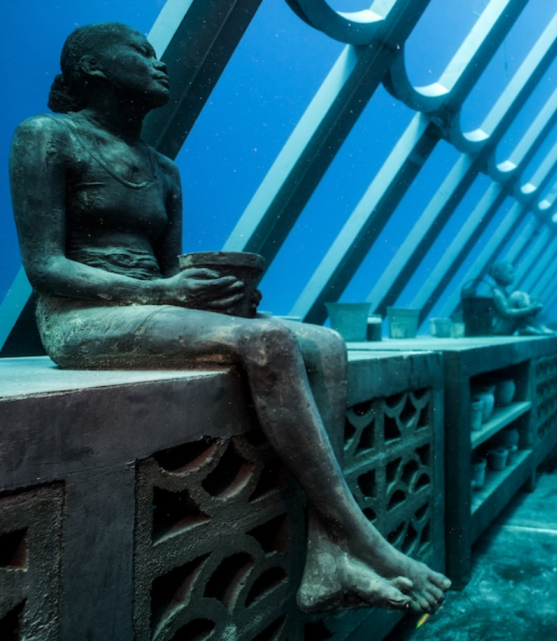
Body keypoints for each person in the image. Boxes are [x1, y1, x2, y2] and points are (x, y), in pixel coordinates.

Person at [8, 22, 448, 613]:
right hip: (81, 319)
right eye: (140, 52)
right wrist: (163, 289)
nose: (157, 61)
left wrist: (218, 298)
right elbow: (45, 268)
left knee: (324, 341)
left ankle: (325, 556)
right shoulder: (47, 136)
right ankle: (365, 541)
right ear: (91, 68)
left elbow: (174, 273)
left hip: (150, 308)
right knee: (265, 342)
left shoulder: (163, 168)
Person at [486, 260, 552, 336]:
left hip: (503, 327)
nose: (513, 275)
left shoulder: (501, 291)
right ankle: (537, 326)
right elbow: (506, 312)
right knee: (518, 295)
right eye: (510, 272)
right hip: (500, 329)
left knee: (522, 296)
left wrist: (533, 308)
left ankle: (525, 327)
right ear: (499, 276)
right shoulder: (496, 293)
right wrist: (530, 309)